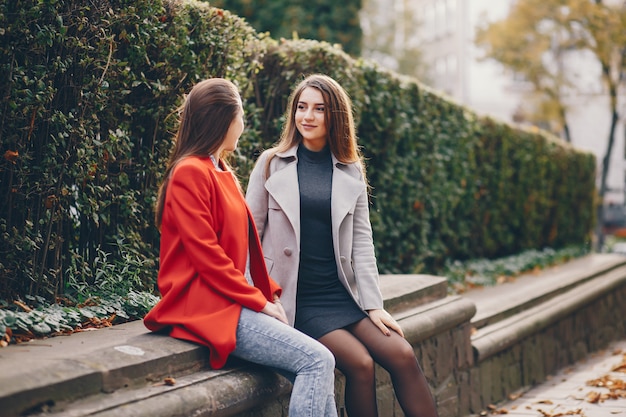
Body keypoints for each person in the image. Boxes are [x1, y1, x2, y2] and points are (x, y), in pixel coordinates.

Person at [246, 74, 439, 417]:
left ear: (335, 115)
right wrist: (255, 298)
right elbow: (248, 235)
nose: (307, 116)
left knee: (403, 355)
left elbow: (362, 242)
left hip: (341, 295)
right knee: (361, 365)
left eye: (319, 109)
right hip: (296, 299)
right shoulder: (271, 163)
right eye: (302, 107)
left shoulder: (350, 169)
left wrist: (374, 305)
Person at [143, 78, 338, 417]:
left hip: (232, 301)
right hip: (205, 305)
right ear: (224, 120)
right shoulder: (190, 172)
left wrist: (268, 293)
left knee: (317, 365)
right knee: (318, 360)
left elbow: (245, 251)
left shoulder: (222, 171)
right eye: (241, 116)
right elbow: (207, 256)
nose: (243, 125)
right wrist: (258, 301)